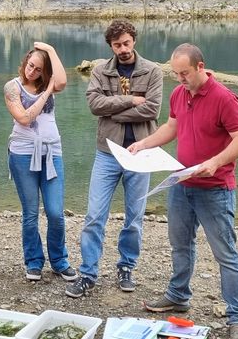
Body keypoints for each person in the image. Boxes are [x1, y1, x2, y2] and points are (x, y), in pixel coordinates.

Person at [129, 43, 238, 339]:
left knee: (226, 253)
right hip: (181, 184)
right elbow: (172, 127)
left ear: (200, 67)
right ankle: (178, 295)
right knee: (180, 245)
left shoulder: (225, 98)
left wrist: (216, 161)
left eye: (184, 73)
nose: (180, 78)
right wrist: (144, 143)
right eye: (175, 74)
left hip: (215, 188)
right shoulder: (178, 94)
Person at [65, 19, 162, 298]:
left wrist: (113, 110)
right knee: (94, 216)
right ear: (111, 46)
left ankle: (126, 267)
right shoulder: (100, 71)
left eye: (126, 43)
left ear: (134, 40)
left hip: (141, 153)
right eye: (117, 45)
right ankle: (87, 274)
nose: (123, 49)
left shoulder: (153, 71)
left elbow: (153, 110)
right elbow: (95, 106)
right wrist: (131, 101)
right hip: (108, 153)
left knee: (134, 218)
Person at [4, 42, 78, 282]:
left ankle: (59, 261)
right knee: (30, 212)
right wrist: (47, 92)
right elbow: (24, 118)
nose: (31, 71)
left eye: (37, 69)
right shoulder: (12, 88)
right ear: (25, 62)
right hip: (22, 154)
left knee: (56, 212)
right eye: (30, 65)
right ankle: (34, 262)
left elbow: (63, 81)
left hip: (52, 152)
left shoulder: (50, 82)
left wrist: (52, 50)